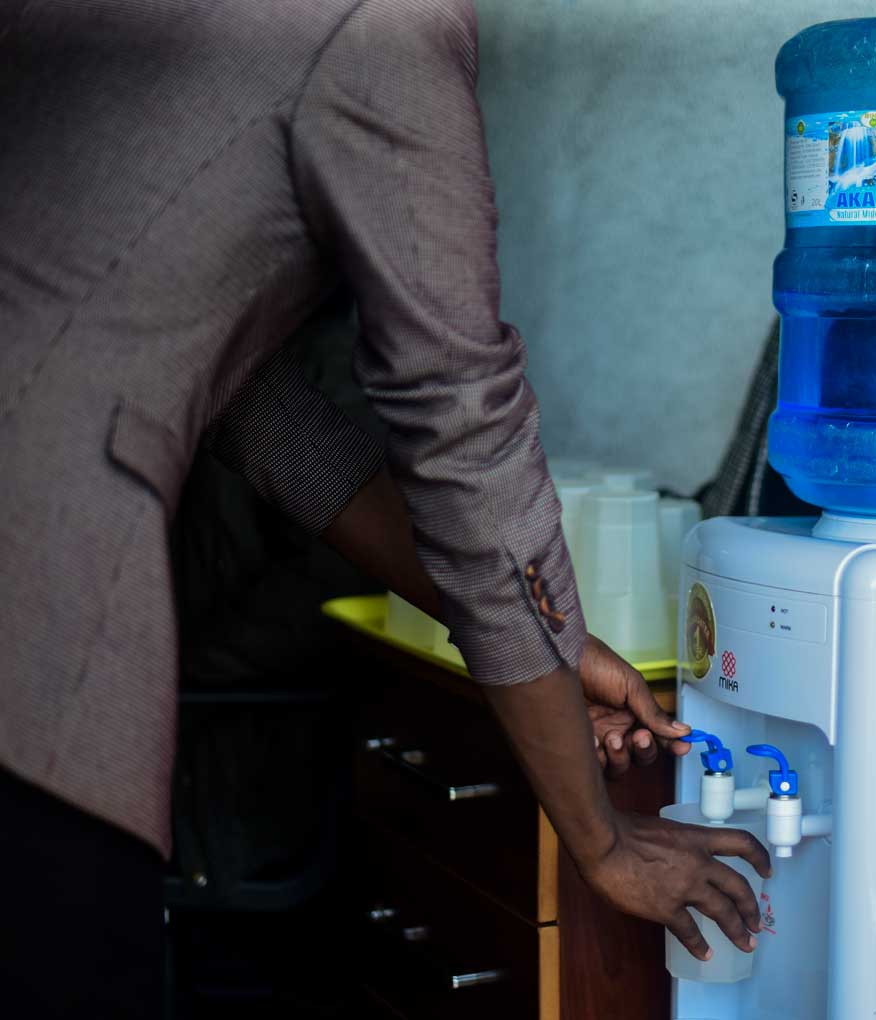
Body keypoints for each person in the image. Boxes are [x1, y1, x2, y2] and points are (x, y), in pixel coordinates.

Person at [0, 2, 768, 1016]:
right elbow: (462, 425)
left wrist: (542, 640)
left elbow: (260, 415)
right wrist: (602, 838)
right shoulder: (376, 24)